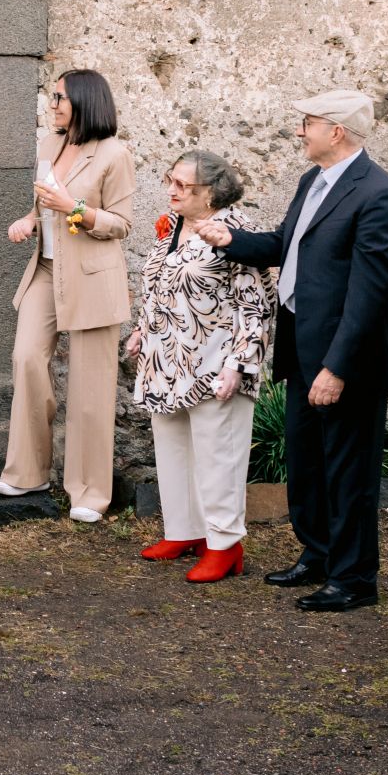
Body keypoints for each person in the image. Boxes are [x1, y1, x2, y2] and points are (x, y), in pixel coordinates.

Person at [196, 89, 388, 612]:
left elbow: (370, 291)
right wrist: (229, 239)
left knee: (349, 471)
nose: (299, 131)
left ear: (335, 131)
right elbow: (283, 245)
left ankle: (355, 578)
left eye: (307, 123)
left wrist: (337, 367)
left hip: (346, 359)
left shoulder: (379, 194)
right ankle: (317, 554)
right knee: (309, 463)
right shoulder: (312, 181)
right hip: (300, 349)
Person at [127, 150, 273, 582]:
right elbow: (157, 285)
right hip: (165, 360)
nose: (171, 190)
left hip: (216, 361)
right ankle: (183, 530)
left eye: (182, 185)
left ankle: (225, 544)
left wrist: (240, 364)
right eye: (170, 179)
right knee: (172, 449)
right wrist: (140, 330)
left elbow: (257, 305)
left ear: (210, 192)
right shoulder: (170, 226)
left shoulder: (235, 232)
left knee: (218, 454)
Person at [0, 70, 135, 523]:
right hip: (45, 270)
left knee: (91, 385)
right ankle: (29, 471)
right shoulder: (48, 146)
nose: (52, 102)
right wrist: (28, 221)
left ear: (84, 101)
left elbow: (120, 224)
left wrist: (74, 209)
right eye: (51, 95)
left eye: (59, 96)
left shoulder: (114, 154)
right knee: (27, 359)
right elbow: (42, 208)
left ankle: (90, 492)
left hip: (92, 275)